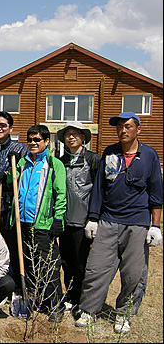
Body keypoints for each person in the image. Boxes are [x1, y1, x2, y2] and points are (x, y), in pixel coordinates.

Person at [75, 112, 162, 334]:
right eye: (119, 127)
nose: (122, 130)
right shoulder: (110, 152)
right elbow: (100, 188)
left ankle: (124, 314)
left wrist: (156, 225)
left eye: (128, 126)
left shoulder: (150, 155)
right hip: (108, 221)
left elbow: (156, 193)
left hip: (137, 223)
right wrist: (93, 218)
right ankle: (88, 310)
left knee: (133, 274)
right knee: (96, 269)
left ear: (138, 129)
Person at [6, 124, 67, 322]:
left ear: (46, 141)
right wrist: (11, 165)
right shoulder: (22, 162)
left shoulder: (53, 164)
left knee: (47, 265)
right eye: (30, 140)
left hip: (42, 224)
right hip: (21, 221)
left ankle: (56, 305)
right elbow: (11, 182)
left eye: (37, 140)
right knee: (28, 264)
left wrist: (58, 219)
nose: (32, 143)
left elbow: (60, 195)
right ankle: (37, 300)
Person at [56, 121, 100, 313]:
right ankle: (71, 296)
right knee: (66, 262)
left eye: (75, 134)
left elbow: (100, 191)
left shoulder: (93, 160)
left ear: (83, 137)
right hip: (65, 221)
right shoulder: (61, 161)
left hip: (84, 222)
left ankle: (84, 300)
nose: (71, 137)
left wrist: (95, 217)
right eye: (68, 134)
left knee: (83, 263)